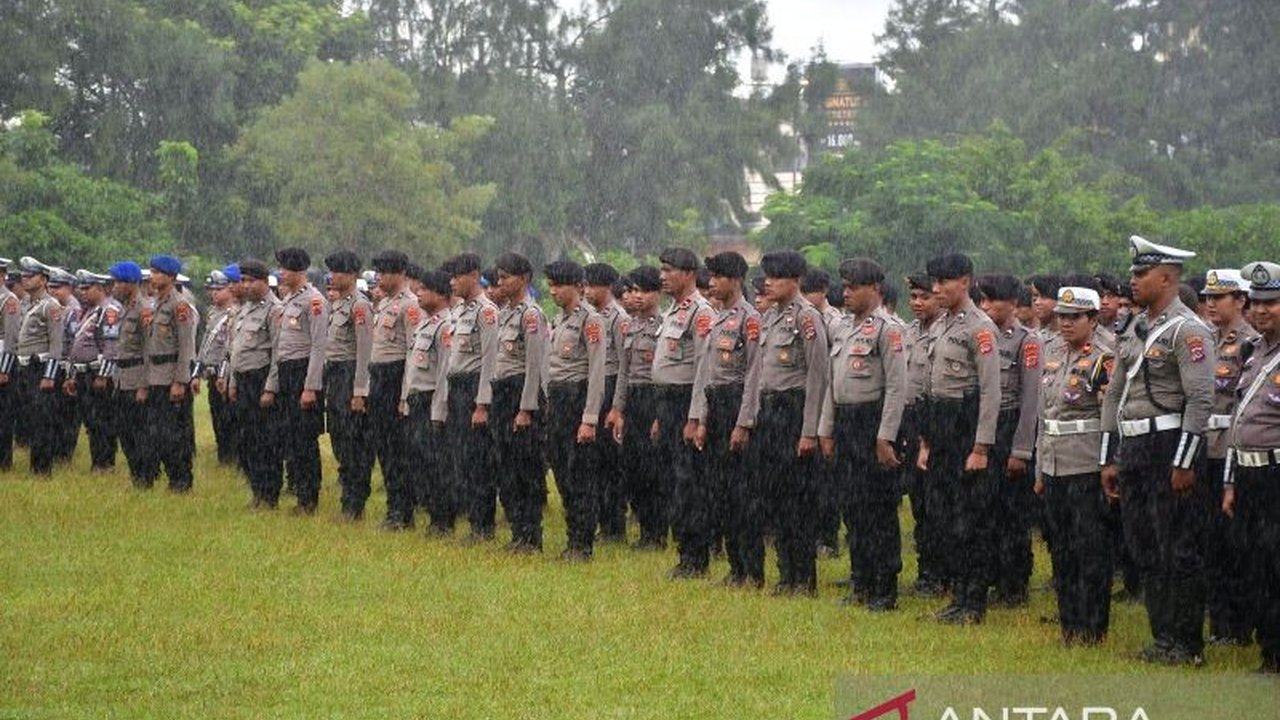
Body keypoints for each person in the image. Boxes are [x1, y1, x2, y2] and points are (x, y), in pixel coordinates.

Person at [1101, 235, 1214, 666]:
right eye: (1132, 272)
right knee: (1144, 544)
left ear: (1166, 278)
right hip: (1133, 446)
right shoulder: (1133, 327)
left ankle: (1186, 643)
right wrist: (1109, 457)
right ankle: (1162, 636)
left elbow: (1200, 400)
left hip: (1168, 444)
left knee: (1178, 547)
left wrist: (1184, 462)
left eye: (1140, 273)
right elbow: (1114, 394)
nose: (1132, 280)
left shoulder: (1189, 330)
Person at [918, 252, 1001, 624]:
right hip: (941, 427)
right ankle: (958, 596)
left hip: (966, 426)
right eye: (934, 282)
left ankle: (973, 602)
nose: (937, 289)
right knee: (947, 517)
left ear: (965, 282)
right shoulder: (939, 325)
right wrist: (927, 441)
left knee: (971, 519)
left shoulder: (979, 327)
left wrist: (981, 446)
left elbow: (991, 391)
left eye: (944, 282)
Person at [819, 258, 907, 610]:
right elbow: (831, 382)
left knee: (879, 510)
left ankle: (885, 587)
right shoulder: (841, 328)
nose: (847, 293)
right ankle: (861, 580)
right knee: (853, 508)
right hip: (846, 422)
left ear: (874, 289)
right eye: (845, 286)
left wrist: (885, 437)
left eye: (854, 287)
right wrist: (826, 428)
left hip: (873, 421)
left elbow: (897, 388)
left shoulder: (888, 329)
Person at [1035, 286, 1115, 646]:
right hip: (1053, 462)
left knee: (1091, 549)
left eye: (1074, 317)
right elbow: (1044, 413)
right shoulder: (1050, 351)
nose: (1065, 323)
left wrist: (1108, 464)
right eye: (1061, 317)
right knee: (1062, 547)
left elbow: (1110, 416)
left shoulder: (1104, 356)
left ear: (1093, 320)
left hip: (1085, 463)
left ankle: (1093, 626)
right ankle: (1070, 623)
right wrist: (1039, 469)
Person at [747, 250, 829, 596]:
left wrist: (809, 430)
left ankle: (803, 578)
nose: (768, 282)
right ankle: (785, 574)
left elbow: (818, 377)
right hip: (770, 411)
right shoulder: (770, 317)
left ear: (795, 281)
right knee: (776, 497)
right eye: (767, 276)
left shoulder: (807, 318)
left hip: (794, 412)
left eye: (776, 277)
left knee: (798, 500)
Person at [1222, 260, 1280, 674]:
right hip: (1248, 473)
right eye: (1256, 302)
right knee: (1255, 562)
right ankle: (1268, 647)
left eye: (1272, 302)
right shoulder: (1254, 353)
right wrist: (1230, 481)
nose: (1261, 310)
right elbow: (1238, 421)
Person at [689, 251, 760, 587]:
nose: (712, 283)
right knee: (722, 493)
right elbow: (707, 375)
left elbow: (753, 376)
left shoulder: (750, 319)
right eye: (710, 276)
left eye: (718, 277)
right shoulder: (717, 318)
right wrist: (702, 420)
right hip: (716, 404)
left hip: (736, 406)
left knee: (743, 494)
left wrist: (743, 423)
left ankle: (752, 569)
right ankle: (735, 568)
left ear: (735, 280)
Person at [1198, 269, 1258, 646]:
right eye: (1207, 296)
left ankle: (1238, 625)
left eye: (1219, 297)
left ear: (1240, 301)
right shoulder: (1204, 339)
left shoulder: (1250, 344)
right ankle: (1219, 621)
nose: (1210, 303)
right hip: (1205, 448)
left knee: (1234, 542)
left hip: (1230, 451)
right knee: (1210, 542)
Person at [651, 248, 717, 578]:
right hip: (667, 404)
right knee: (673, 483)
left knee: (689, 483)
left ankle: (696, 557)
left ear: (689, 273)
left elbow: (703, 370)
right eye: (661, 270)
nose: (662, 276)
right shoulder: (673, 311)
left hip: (685, 404)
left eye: (669, 270)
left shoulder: (700, 313)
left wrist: (695, 418)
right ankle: (684, 553)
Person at [976, 273, 1041, 607]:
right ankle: (992, 576)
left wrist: (1020, 450)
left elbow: (1031, 401)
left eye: (992, 300)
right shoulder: (979, 335)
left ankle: (1014, 584)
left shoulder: (1026, 341)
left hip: (1011, 426)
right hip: (985, 429)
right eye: (982, 300)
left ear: (1014, 303)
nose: (985, 307)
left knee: (1012, 515)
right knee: (986, 511)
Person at [543, 260, 607, 561]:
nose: (553, 291)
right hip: (558, 401)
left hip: (577, 399)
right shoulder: (560, 320)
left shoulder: (590, 321)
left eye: (559, 285)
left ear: (577, 287)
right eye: (551, 285)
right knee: (563, 473)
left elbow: (596, 373)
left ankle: (583, 544)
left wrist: (589, 419)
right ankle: (573, 539)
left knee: (579, 475)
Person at [489, 252, 548, 552]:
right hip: (502, 391)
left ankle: (531, 534)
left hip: (522, 395)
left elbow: (535, 366)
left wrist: (526, 408)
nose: (500, 283)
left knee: (526, 469)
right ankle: (517, 532)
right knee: (506, 467)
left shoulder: (531, 315)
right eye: (498, 278)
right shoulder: (505, 313)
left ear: (524, 278)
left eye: (506, 277)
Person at [441, 252, 501, 542]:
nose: (452, 282)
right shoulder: (460, 311)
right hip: (457, 387)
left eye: (458, 276)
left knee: (478, 461)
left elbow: (490, 358)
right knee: (461, 458)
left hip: (475, 387)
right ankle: (472, 519)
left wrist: (482, 403)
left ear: (474, 276)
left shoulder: (485, 311)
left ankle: (483, 525)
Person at [264, 247, 328, 515]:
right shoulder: (289, 300)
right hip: (288, 373)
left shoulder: (313, 301)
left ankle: (308, 498)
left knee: (304, 440)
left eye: (286, 269)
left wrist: (310, 387)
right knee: (291, 437)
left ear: (298, 272)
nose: (281, 273)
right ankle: (299, 492)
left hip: (304, 373)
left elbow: (318, 346)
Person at [606, 267, 666, 550]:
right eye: (634, 290)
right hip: (633, 398)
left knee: (654, 469)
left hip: (655, 398)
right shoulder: (630, 326)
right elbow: (623, 372)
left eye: (644, 290)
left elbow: (664, 373)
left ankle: (656, 533)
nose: (638, 296)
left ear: (658, 293)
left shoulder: (664, 325)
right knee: (634, 468)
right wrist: (618, 409)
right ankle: (644, 530)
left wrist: (659, 415)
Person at [367, 250, 420, 530]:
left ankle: (403, 512)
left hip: (395, 377)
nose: (379, 278)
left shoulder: (409, 305)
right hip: (378, 377)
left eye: (383, 273)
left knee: (398, 451)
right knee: (384, 448)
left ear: (398, 273)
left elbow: (412, 352)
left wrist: (403, 395)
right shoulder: (384, 303)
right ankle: (393, 508)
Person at [900, 273, 945, 596]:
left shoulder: (947, 332)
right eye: (913, 297)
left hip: (940, 418)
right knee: (918, 500)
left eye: (924, 297)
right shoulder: (908, 332)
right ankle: (927, 571)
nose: (917, 303)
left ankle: (946, 572)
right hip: (912, 419)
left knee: (940, 501)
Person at [227, 259, 283, 508]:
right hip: (242, 379)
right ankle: (255, 490)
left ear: (264, 281)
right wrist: (231, 381)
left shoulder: (274, 309)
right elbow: (235, 350)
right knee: (246, 440)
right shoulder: (243, 308)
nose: (246, 285)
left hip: (260, 380)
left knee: (265, 441)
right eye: (243, 281)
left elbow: (278, 353)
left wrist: (270, 387)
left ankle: (268, 494)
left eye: (251, 281)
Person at [323, 251, 374, 521]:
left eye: (339, 272)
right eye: (332, 272)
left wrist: (359, 391)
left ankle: (354, 503)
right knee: (339, 437)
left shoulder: (359, 306)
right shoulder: (337, 305)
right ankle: (348, 496)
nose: (333, 277)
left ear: (352, 275)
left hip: (350, 375)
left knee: (354, 444)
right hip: (335, 375)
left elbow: (365, 352)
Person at [400, 269, 452, 534]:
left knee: (436, 463)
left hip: (432, 399)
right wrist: (405, 398)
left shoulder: (445, 326)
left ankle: (442, 520)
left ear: (441, 294)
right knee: (419, 460)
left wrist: (438, 411)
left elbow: (444, 372)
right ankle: (432, 514)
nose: (418, 293)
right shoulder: (425, 323)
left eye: (424, 290)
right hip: (417, 398)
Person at [139, 255, 197, 493]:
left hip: (172, 376)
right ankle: (167, 476)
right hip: (155, 376)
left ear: (171, 277)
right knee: (157, 432)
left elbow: (186, 346)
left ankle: (181, 480)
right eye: (152, 272)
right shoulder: (154, 303)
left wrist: (180, 381)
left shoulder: (179, 305)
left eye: (158, 272)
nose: (153, 277)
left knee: (175, 434)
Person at [583, 262, 630, 544]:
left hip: (612, 387)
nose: (587, 291)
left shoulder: (618, 319)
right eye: (585, 286)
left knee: (611, 465)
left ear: (607, 287)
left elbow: (624, 366)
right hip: (597, 387)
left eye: (592, 286)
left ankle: (615, 526)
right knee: (597, 464)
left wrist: (617, 406)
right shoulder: (591, 316)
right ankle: (604, 522)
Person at [802, 267, 845, 559]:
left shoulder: (833, 321)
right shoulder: (804, 317)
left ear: (824, 292)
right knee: (809, 477)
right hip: (808, 402)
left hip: (831, 404)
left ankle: (828, 537)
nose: (805, 298)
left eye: (809, 292)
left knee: (827, 478)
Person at [63, 270, 120, 472]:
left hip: (97, 374)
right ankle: (98, 462)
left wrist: (103, 375)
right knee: (91, 422)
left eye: (87, 288)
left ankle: (105, 463)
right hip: (82, 373)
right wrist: (71, 376)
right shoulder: (86, 312)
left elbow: (111, 347)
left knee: (102, 421)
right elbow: (74, 347)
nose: (82, 292)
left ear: (100, 288)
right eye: (81, 288)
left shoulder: (109, 311)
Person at [15, 257, 66, 476]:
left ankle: (42, 469)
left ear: (43, 279)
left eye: (30, 275)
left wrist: (49, 376)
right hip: (25, 368)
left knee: (42, 421)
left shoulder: (50, 306)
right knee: (30, 419)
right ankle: (35, 467)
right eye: (24, 276)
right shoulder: (28, 305)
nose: (25, 279)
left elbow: (56, 344)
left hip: (41, 368)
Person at [193, 269, 239, 466]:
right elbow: (205, 345)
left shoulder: (235, 313)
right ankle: (223, 456)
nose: (213, 293)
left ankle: (233, 456)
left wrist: (223, 374)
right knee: (217, 416)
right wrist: (197, 372)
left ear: (229, 289)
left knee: (230, 418)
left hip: (227, 373)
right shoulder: (213, 313)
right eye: (211, 289)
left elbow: (230, 346)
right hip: (212, 372)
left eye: (217, 289)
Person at [47, 267, 81, 462]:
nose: (53, 290)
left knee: (67, 414)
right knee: (56, 412)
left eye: (58, 287)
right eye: (51, 286)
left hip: (67, 367)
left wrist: (71, 374)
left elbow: (74, 343)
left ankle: (64, 453)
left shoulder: (73, 310)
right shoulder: (56, 307)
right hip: (56, 365)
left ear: (69, 287)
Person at [0, 257, 20, 470]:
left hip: (2, 361)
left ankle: (4, 461)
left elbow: (11, 337)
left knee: (3, 415)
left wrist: (4, 368)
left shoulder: (9, 300)